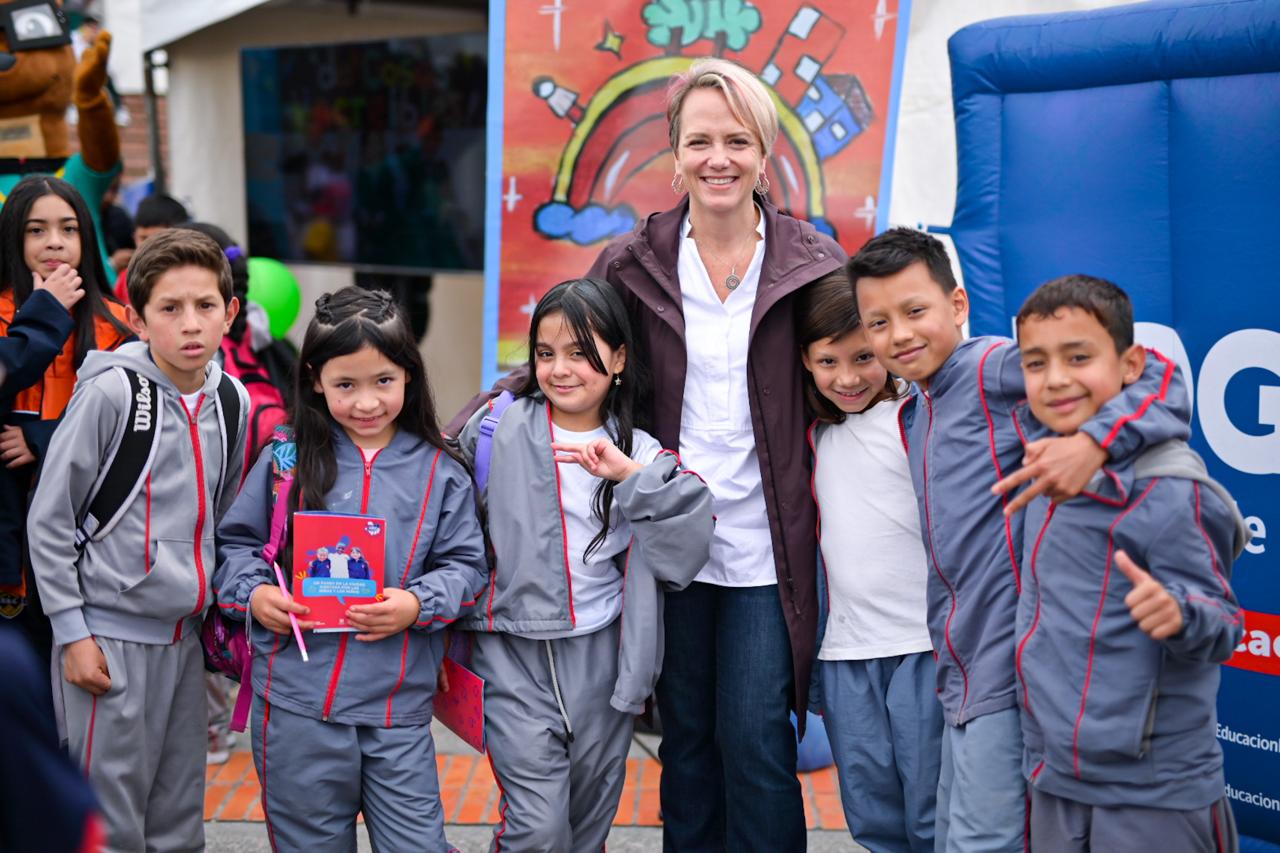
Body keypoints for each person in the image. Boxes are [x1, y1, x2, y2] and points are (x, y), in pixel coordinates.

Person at [849, 228, 1191, 852]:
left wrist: (1092, 443)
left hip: (1009, 672)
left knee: (985, 843)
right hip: (958, 674)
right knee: (952, 836)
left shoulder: (988, 368)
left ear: (957, 305)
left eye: (915, 311)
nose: (898, 334)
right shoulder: (915, 411)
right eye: (878, 322)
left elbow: (1161, 378)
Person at [215, 286, 488, 851]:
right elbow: (235, 548)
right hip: (294, 705)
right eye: (346, 385)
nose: (367, 402)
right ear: (315, 379)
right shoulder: (286, 456)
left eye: (383, 381)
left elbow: (468, 566)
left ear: (409, 375)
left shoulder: (442, 469)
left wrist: (417, 604)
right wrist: (255, 597)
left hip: (396, 710)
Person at [454, 278, 714, 852]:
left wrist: (628, 479)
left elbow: (686, 552)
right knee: (537, 830)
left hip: (607, 660)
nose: (560, 369)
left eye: (580, 352)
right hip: (508, 651)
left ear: (619, 358)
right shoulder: (494, 429)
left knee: (587, 826)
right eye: (546, 354)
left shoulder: (642, 451)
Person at [26, 228, 249, 851]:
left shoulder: (230, 399)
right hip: (107, 640)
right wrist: (72, 633)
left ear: (229, 313)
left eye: (205, 306)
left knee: (179, 818)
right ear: (139, 319)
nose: (190, 324)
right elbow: (49, 520)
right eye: (170, 309)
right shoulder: (110, 392)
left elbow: (225, 515)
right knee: (109, 819)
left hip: (185, 644)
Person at [1013, 275, 1245, 852]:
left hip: (1154, 792)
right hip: (1055, 776)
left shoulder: (1167, 489)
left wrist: (1179, 614)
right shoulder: (1043, 463)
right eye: (1036, 363)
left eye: (1079, 356)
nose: (1057, 378)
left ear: (1130, 363)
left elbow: (1223, 623)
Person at [798, 271, 942, 853]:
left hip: (922, 647)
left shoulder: (920, 419)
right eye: (827, 362)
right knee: (872, 815)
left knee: (932, 811)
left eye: (862, 356)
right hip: (844, 655)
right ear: (805, 362)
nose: (848, 377)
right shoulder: (811, 436)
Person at [0, 175, 131, 655]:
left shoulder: (119, 325)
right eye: (36, 230)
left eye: (68, 229)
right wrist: (45, 310)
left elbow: (134, 431)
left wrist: (41, 436)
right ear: (13, 237)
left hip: (92, 551)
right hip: (12, 552)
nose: (54, 241)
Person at [112, 193, 190, 303]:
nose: (150, 245)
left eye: (158, 238)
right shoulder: (125, 279)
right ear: (134, 237)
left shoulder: (190, 276)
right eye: (143, 238)